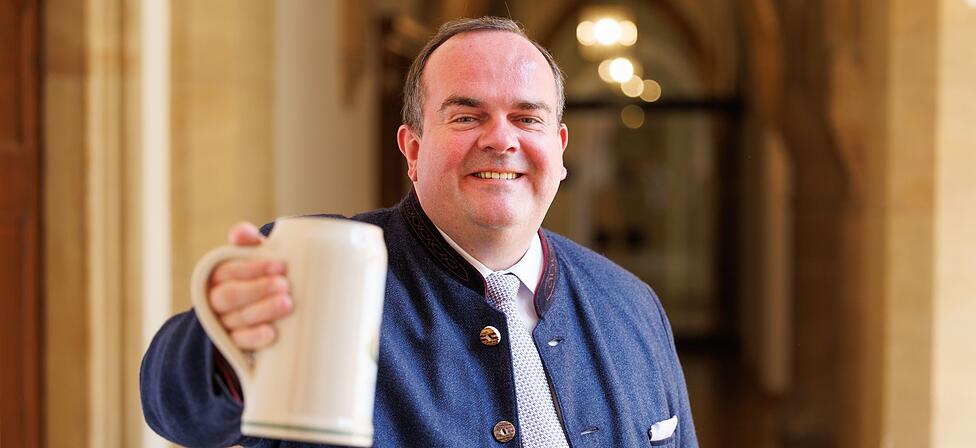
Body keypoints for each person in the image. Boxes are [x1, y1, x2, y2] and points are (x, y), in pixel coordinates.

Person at [141, 16, 698, 448]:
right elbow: (174, 405)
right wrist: (221, 344)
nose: (501, 140)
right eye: (466, 115)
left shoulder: (633, 306)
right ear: (412, 150)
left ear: (560, 151)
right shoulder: (317, 273)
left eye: (527, 118)